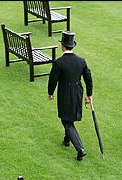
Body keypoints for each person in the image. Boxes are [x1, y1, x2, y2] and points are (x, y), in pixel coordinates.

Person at [47, 31, 93, 161]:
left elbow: (53, 80)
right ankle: (67, 140)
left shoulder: (59, 62)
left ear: (63, 45)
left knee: (66, 122)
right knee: (69, 118)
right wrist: (89, 94)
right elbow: (88, 78)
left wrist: (50, 93)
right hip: (78, 92)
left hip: (65, 94)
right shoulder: (81, 61)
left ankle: (80, 149)